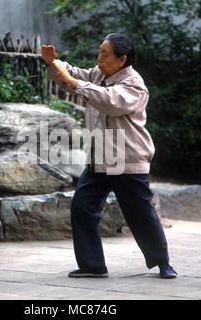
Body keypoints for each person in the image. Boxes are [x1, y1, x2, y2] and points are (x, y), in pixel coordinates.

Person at [41, 33, 178, 279]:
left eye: (104, 53)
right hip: (100, 158)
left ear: (122, 59)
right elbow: (73, 74)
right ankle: (92, 265)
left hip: (127, 158)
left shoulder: (134, 84)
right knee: (82, 206)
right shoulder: (98, 74)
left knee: (141, 214)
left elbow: (108, 101)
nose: (99, 57)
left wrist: (73, 82)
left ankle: (162, 263)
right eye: (99, 51)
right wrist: (52, 63)